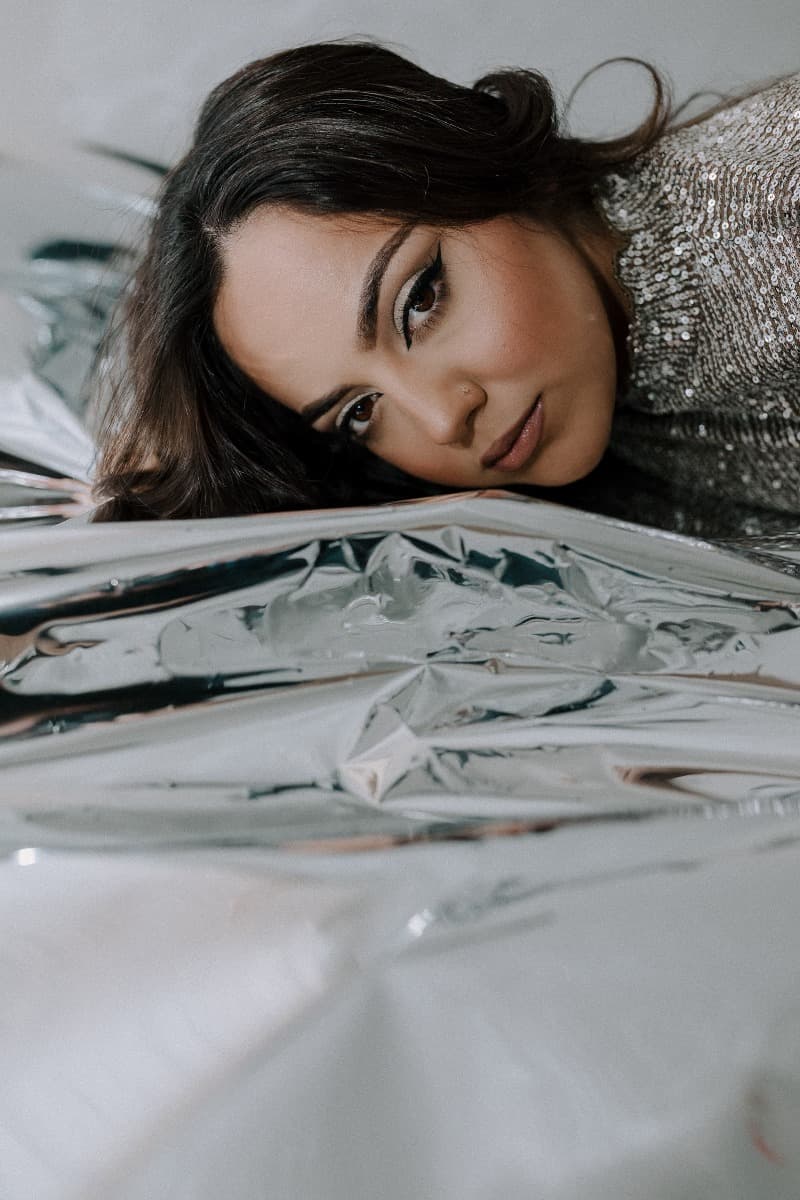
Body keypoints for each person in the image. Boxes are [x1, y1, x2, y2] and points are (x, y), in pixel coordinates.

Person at [91, 41, 800, 536]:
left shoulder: (780, 219)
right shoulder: (600, 386)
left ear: (493, 168)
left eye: (419, 303)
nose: (440, 420)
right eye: (359, 410)